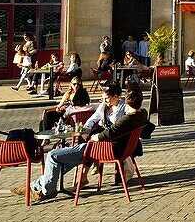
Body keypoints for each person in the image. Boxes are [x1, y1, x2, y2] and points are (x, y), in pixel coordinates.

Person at [14, 85, 147, 203]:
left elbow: (110, 132)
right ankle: (35, 186)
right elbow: (97, 121)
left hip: (102, 149)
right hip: (109, 148)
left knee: (53, 155)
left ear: (126, 103)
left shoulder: (127, 118)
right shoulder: (141, 115)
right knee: (64, 162)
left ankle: (46, 191)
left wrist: (95, 137)